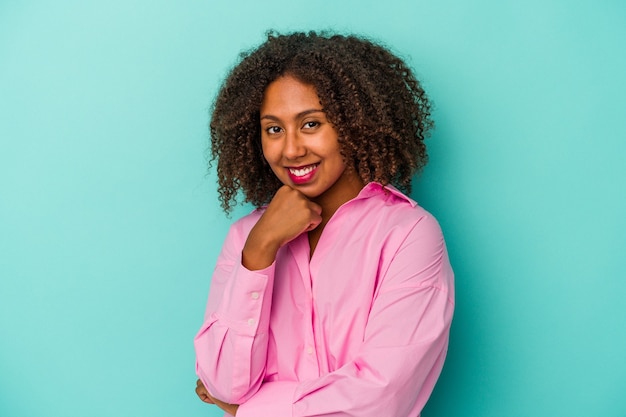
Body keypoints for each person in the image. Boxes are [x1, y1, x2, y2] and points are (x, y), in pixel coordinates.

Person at [194, 31, 454, 417]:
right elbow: (222, 382)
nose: (292, 149)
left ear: (354, 123)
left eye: (311, 124)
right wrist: (260, 251)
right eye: (274, 129)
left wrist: (245, 411)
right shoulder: (248, 239)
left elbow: (381, 397)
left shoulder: (408, 235)